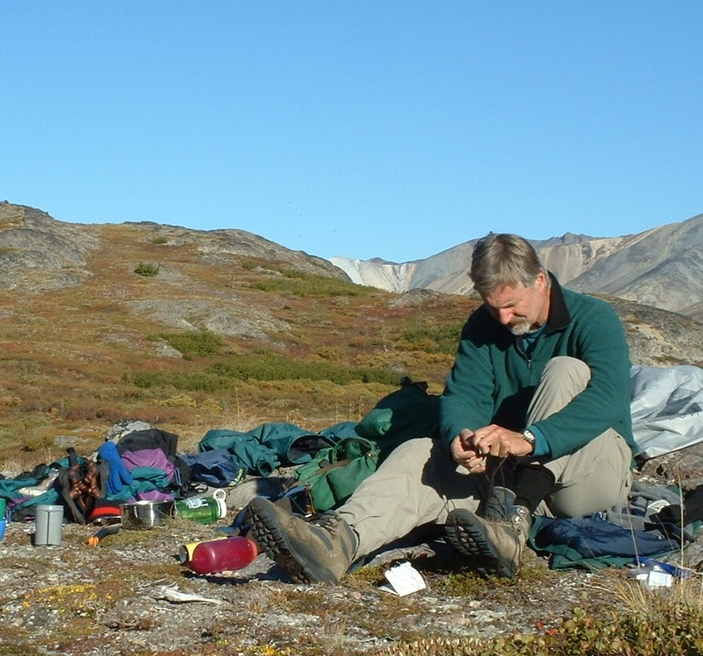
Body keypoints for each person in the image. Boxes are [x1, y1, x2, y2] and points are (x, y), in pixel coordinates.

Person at [246, 233, 636, 582]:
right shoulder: (484, 325)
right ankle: (336, 542)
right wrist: (460, 436)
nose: (502, 317)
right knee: (421, 451)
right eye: (491, 305)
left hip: (586, 477)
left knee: (566, 371)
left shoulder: (594, 320)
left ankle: (513, 524)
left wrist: (532, 439)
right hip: (504, 479)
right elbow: (463, 394)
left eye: (513, 305)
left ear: (540, 281)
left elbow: (608, 400)